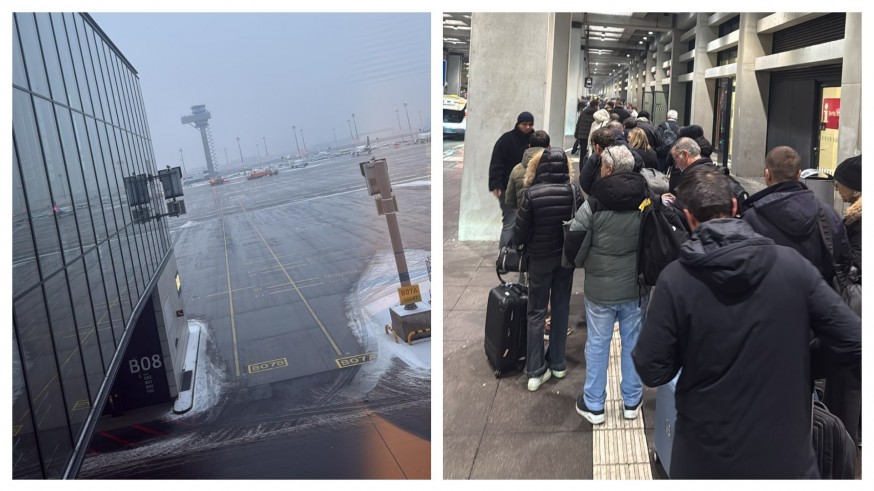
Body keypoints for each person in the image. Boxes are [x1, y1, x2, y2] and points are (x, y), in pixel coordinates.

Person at [632, 169, 861, 479]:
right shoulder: (793, 266)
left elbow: (650, 368)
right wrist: (807, 363)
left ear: (689, 217)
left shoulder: (676, 279)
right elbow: (854, 337)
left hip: (705, 456)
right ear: (735, 207)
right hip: (785, 456)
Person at [563, 145, 649, 424]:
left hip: (600, 290)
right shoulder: (646, 198)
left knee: (598, 344)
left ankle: (594, 404)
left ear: (609, 169)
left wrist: (582, 262)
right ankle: (632, 402)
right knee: (633, 343)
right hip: (635, 286)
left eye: (601, 166)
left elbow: (576, 239)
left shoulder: (595, 202)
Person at [512, 148, 583, 391]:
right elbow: (583, 222)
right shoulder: (573, 191)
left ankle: (535, 372)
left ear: (539, 166)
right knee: (561, 309)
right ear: (566, 166)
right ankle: (558, 363)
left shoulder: (532, 194)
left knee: (536, 312)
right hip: (565, 259)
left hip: (539, 260)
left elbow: (519, 233)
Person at [742, 146, 850, 284]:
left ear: (767, 174)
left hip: (769, 295)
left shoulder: (750, 219)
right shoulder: (828, 214)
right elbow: (844, 260)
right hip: (819, 294)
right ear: (799, 175)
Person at [823, 154, 862, 447]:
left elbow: (856, 263)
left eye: (840, 183)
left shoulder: (860, 221)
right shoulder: (854, 216)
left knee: (849, 378)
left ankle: (847, 439)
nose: (837, 188)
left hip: (855, 307)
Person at [488, 112, 535, 250]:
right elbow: (497, 163)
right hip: (509, 188)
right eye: (524, 124)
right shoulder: (506, 140)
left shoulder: (535, 140)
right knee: (510, 220)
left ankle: (518, 253)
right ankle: (505, 254)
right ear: (518, 124)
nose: (527, 127)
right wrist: (495, 184)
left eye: (530, 124)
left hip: (530, 188)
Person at [504, 130, 550, 209]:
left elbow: (510, 201)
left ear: (529, 146)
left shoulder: (517, 169)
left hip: (523, 214)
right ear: (549, 147)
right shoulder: (557, 168)